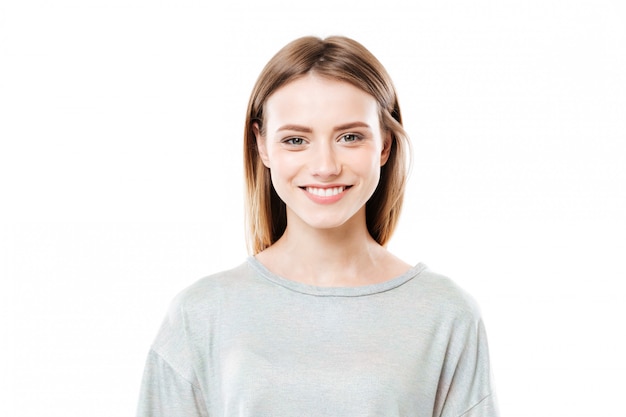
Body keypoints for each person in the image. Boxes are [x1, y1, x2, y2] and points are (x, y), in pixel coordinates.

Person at [136, 35, 499, 417]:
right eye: (296, 139)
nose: (325, 166)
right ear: (262, 146)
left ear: (385, 144)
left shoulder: (446, 314)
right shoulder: (201, 313)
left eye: (350, 137)